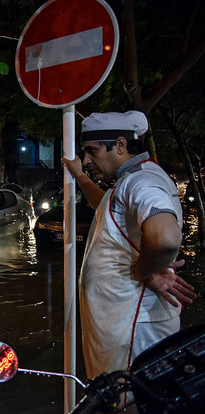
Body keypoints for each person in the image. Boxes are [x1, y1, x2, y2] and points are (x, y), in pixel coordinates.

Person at [61, 110, 197, 386]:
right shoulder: (130, 181)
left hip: (134, 329)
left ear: (120, 145)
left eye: (91, 151)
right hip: (122, 328)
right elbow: (103, 204)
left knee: (132, 400)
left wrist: (149, 271)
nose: (86, 160)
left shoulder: (142, 182)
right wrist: (79, 176)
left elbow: (166, 239)